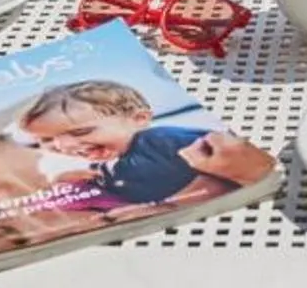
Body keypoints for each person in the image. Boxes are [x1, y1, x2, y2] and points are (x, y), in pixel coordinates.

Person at [17, 81, 270, 207]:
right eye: (47, 140)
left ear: (139, 119)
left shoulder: (161, 140)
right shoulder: (106, 164)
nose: (63, 146)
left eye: (81, 131)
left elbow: (227, 154)